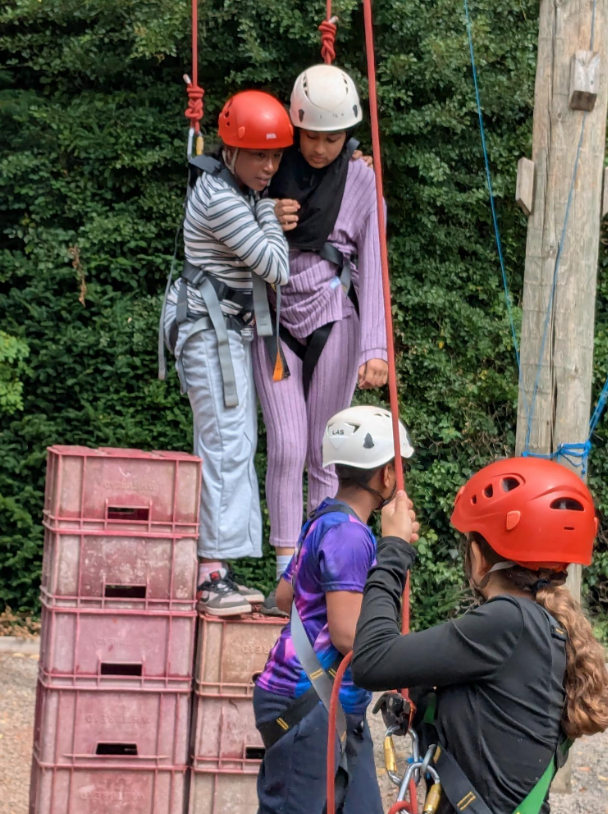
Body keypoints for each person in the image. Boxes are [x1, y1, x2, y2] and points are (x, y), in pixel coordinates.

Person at [352, 457, 608, 814]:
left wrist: (393, 548)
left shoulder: (508, 623)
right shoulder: (541, 625)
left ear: (478, 556)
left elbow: (370, 660)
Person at [252, 65, 389, 616]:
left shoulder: (360, 176)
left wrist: (376, 348)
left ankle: (321, 570)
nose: (321, 148)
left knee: (323, 452)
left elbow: (375, 260)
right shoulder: (268, 165)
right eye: (312, 135)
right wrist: (265, 212)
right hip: (274, 312)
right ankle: (288, 570)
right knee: (284, 445)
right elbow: (222, 216)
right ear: (295, 127)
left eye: (334, 138)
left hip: (334, 310)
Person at [161, 90, 293, 617]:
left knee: (236, 442)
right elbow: (274, 267)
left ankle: (220, 567)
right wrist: (269, 217)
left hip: (225, 332)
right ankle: (209, 574)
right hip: (207, 329)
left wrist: (261, 208)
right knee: (223, 444)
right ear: (230, 151)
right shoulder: (222, 199)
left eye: (275, 156)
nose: (268, 166)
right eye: (258, 155)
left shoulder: (235, 190)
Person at [253, 405, 415, 814]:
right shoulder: (351, 535)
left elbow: (286, 597)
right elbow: (347, 637)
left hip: (319, 705)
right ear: (385, 476)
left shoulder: (323, 518)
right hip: (311, 705)